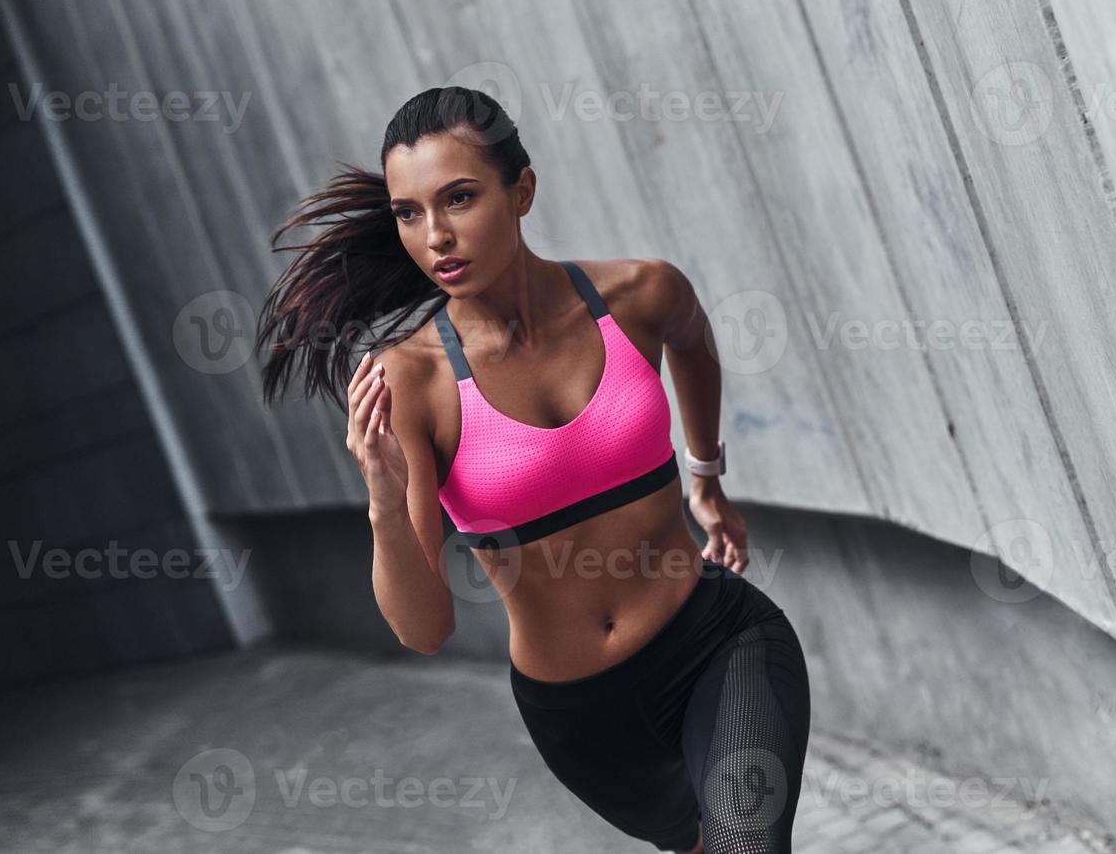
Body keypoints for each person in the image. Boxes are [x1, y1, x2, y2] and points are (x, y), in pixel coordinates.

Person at [256, 86, 811, 853]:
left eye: (458, 199)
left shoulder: (636, 293)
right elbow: (426, 630)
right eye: (409, 213)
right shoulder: (412, 381)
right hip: (584, 718)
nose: (437, 236)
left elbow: (691, 338)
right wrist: (383, 499)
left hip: (716, 641)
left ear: (521, 191)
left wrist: (706, 477)